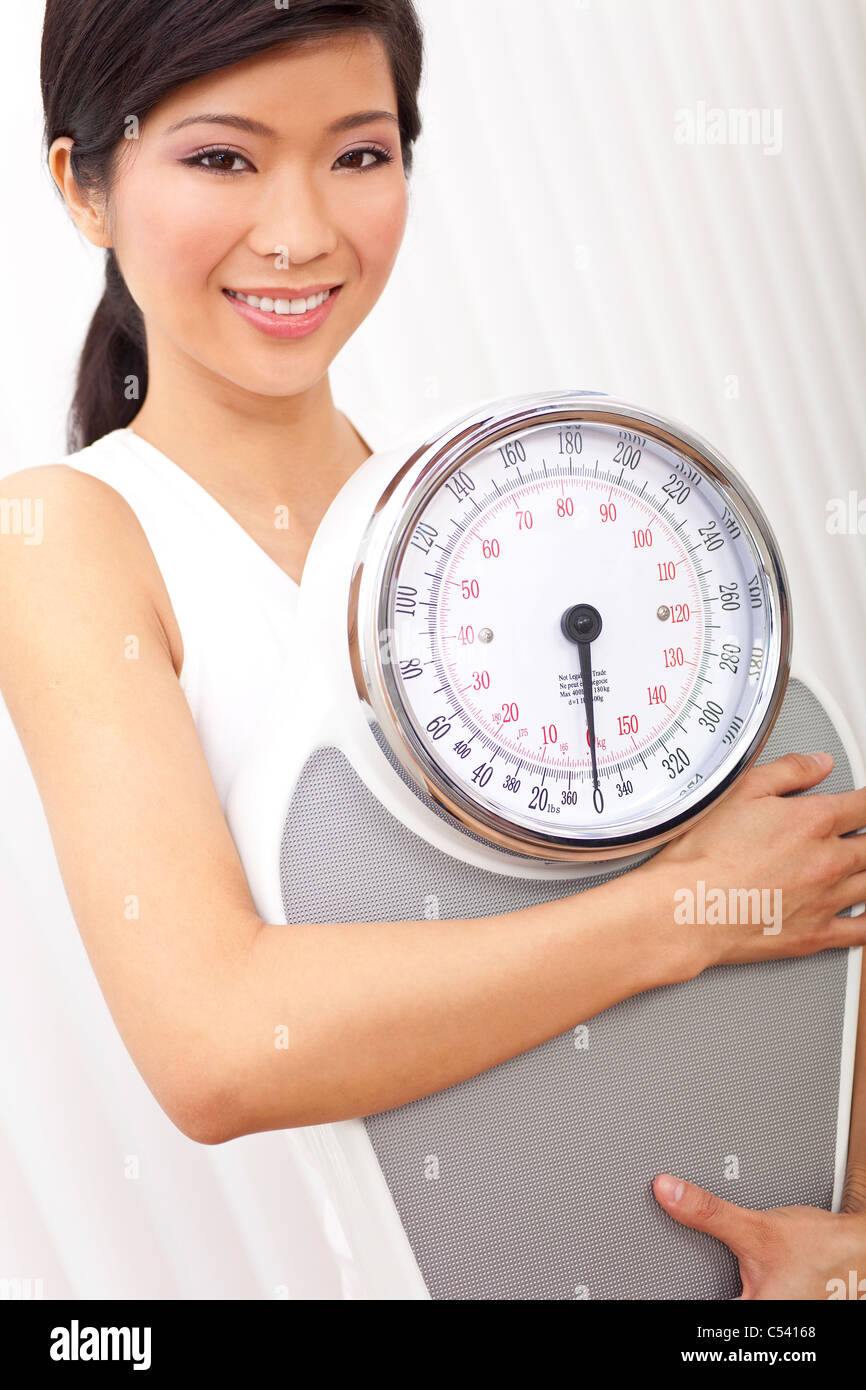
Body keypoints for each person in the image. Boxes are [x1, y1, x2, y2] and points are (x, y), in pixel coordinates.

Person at [1, 0, 864, 1301]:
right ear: (84, 185)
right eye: (222, 157)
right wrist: (682, 911)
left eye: (357, 154)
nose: (298, 233)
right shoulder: (69, 535)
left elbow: (808, 862)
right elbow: (219, 1043)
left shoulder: (528, 499)